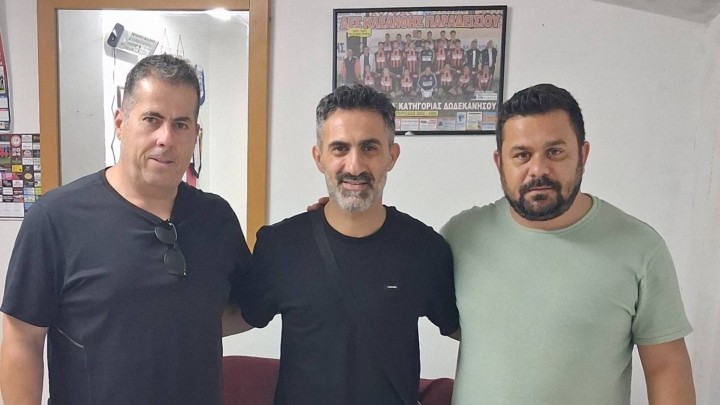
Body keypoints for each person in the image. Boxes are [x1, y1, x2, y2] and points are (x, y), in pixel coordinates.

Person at [0, 54, 252, 405]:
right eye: (152, 119)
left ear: (196, 134)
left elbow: (238, 310)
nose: (166, 138)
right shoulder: (56, 218)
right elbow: (22, 337)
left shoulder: (216, 218)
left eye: (181, 124)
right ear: (120, 122)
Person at [441, 83, 695, 404]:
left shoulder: (640, 248)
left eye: (555, 152)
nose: (538, 170)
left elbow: (666, 366)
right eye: (522, 155)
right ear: (499, 162)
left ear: (582, 155)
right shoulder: (461, 237)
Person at [239, 84, 459, 405]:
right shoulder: (279, 248)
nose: (354, 166)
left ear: (391, 156)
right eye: (340, 149)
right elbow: (236, 316)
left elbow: (467, 330)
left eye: (369, 148)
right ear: (319, 158)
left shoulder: (425, 250)